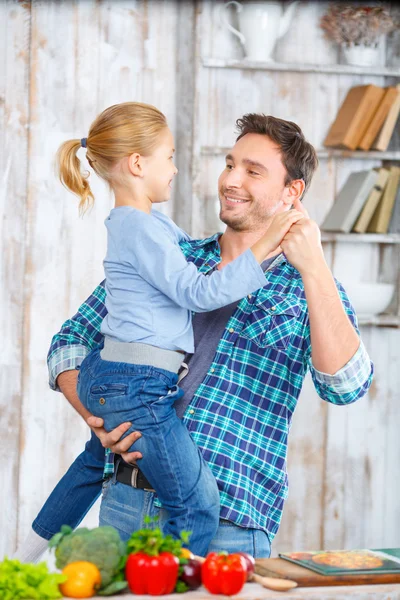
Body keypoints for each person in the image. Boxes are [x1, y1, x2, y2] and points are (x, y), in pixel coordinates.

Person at [16, 113, 373, 563]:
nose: (230, 180)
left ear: (292, 192)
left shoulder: (309, 288)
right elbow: (71, 340)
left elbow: (345, 386)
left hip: (228, 523)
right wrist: (98, 417)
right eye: (230, 164)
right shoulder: (173, 252)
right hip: (127, 504)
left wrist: (315, 266)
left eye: (252, 170)